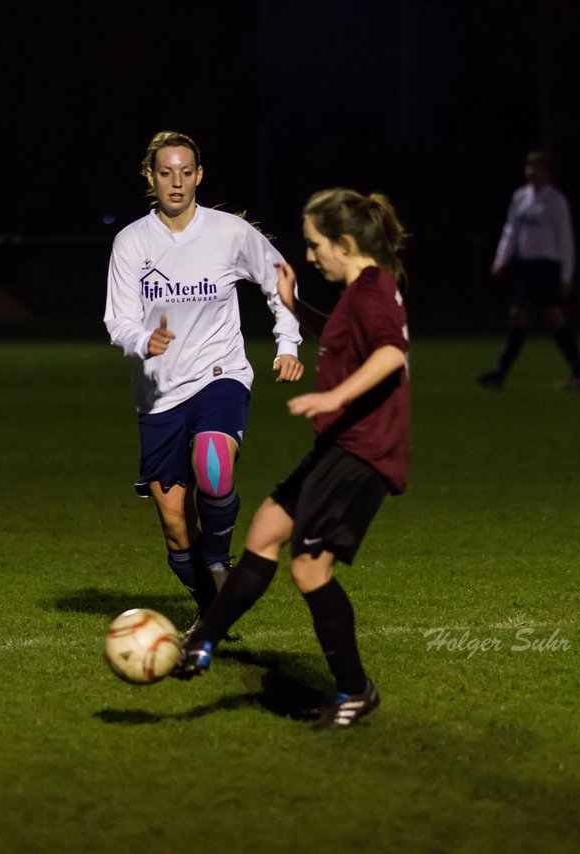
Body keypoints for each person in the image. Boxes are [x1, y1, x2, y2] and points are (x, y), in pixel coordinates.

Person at [172, 187, 412, 732]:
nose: (309, 256)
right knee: (262, 532)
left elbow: (390, 353)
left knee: (309, 568)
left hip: (362, 452)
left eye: (314, 245)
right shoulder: (365, 290)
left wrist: (332, 397)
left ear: (344, 243)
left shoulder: (372, 291)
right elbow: (347, 338)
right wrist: (294, 306)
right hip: (342, 447)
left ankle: (354, 691)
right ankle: (202, 643)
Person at [103, 130, 305, 627]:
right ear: (150, 176)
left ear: (199, 175)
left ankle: (219, 558)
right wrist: (141, 341)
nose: (177, 182)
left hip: (220, 374)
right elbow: (118, 319)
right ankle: (213, 610)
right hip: (158, 393)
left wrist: (288, 342)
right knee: (175, 528)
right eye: (166, 172)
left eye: (186, 172)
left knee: (213, 466)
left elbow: (279, 275)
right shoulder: (131, 241)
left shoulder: (227, 233)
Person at [477, 150, 580, 391]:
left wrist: (566, 276)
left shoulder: (556, 201)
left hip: (547, 267)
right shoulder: (521, 197)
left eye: (536, 167)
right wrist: (502, 259)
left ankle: (500, 373)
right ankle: (579, 372)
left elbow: (566, 239)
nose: (531, 171)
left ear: (547, 172)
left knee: (528, 314)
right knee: (541, 317)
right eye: (529, 166)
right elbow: (511, 230)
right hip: (528, 267)